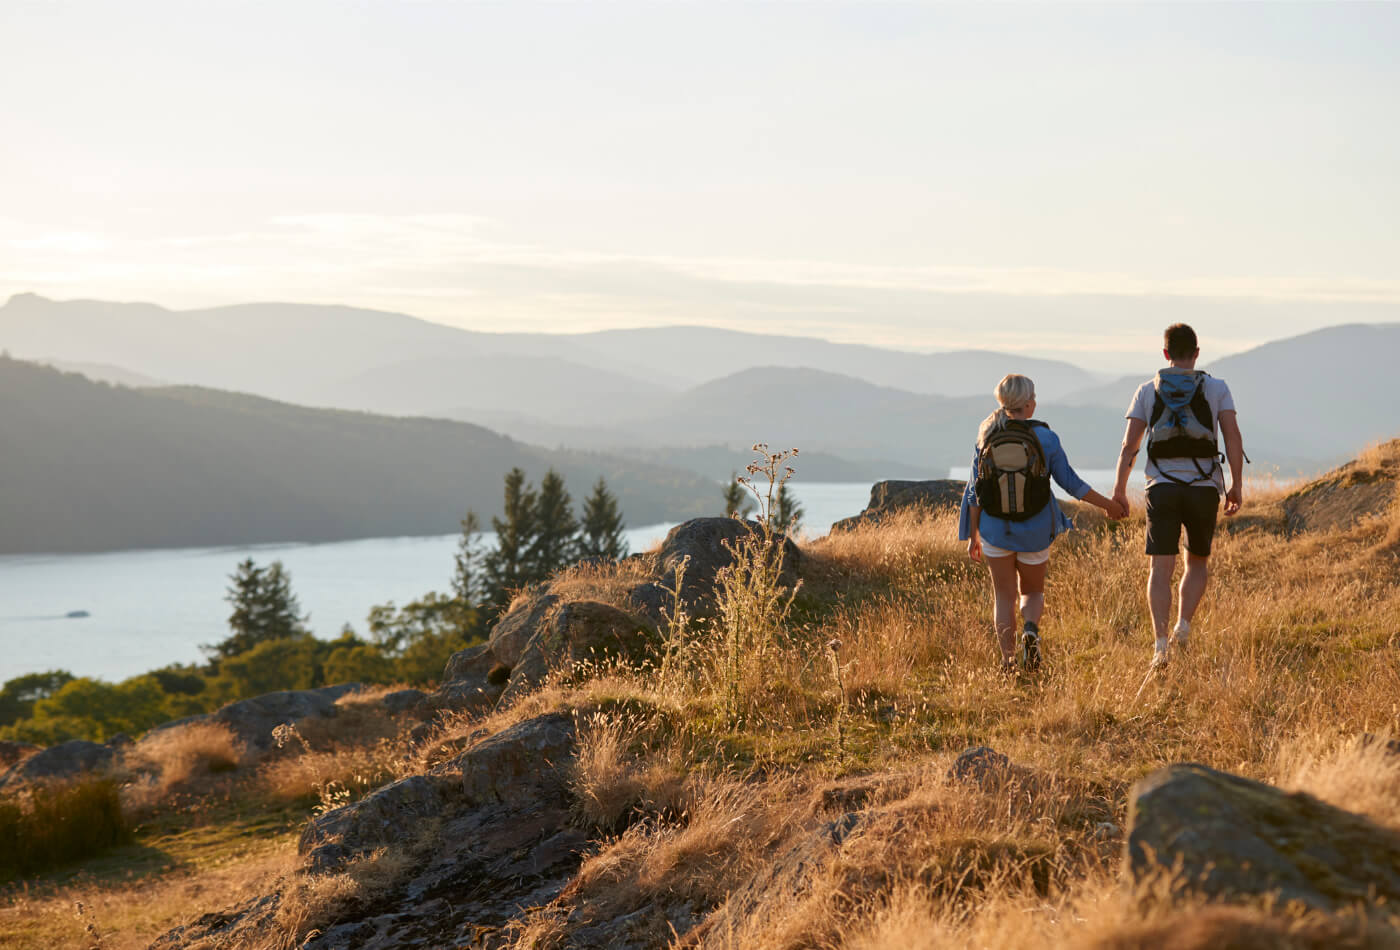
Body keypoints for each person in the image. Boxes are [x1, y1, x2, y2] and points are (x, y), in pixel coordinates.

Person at [959, 374, 1126, 673]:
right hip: (1035, 530)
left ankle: (1008, 663)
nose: (1035, 401)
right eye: (1033, 397)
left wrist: (973, 536)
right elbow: (1071, 484)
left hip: (996, 530)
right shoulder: (1046, 439)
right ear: (1027, 403)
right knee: (1032, 592)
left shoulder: (985, 434)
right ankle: (1031, 630)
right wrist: (1109, 506)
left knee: (1003, 597)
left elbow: (974, 492)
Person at [1111, 323, 1244, 670]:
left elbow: (1130, 445)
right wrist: (1236, 485)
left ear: (1166, 354)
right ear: (1197, 353)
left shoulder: (1146, 391)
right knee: (1196, 562)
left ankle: (1159, 646)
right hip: (1203, 488)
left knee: (1160, 567)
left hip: (1162, 487)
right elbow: (1232, 438)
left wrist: (1119, 490)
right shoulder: (1217, 388)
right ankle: (1182, 626)